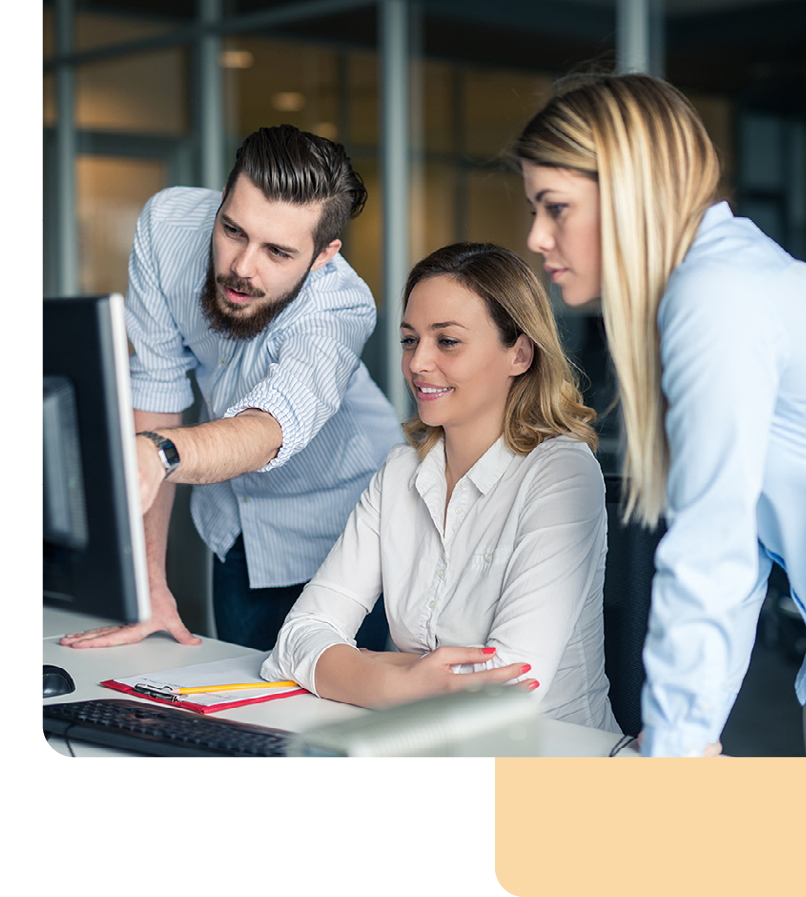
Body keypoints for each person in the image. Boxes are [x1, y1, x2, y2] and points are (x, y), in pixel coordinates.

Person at [513, 73, 806, 757]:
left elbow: (710, 549)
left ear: (631, 192)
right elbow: (743, 552)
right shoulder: (714, 284)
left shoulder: (717, 295)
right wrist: (677, 741)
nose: (537, 237)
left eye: (556, 207)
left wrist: (674, 750)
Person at [61, 124, 403, 654]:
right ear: (221, 201)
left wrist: (161, 453)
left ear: (322, 255)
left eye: (278, 252)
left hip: (351, 530)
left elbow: (266, 428)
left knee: (346, 713)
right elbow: (158, 391)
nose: (242, 268)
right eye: (234, 230)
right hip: (236, 526)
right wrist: (149, 583)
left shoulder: (340, 306)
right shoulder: (166, 226)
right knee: (247, 711)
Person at [260, 243, 620, 732]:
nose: (418, 363)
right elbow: (296, 640)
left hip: (551, 761)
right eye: (410, 340)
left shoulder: (560, 473)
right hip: (422, 749)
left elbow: (507, 692)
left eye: (447, 341)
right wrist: (401, 684)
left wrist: (364, 666)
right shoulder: (400, 471)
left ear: (520, 352)